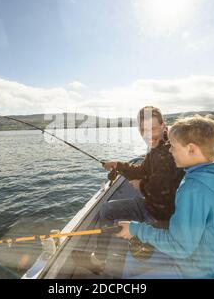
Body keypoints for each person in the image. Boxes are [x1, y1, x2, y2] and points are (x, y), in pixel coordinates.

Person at [115, 115, 214, 279]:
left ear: (191, 149)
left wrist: (135, 229)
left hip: (208, 273)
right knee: (132, 259)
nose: (170, 150)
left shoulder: (194, 189)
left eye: (174, 147)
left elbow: (180, 247)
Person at [73, 106, 184, 275]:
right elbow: (142, 170)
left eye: (153, 128)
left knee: (137, 254)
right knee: (107, 209)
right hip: (149, 205)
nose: (148, 135)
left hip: (165, 216)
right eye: (143, 130)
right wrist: (118, 165)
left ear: (163, 126)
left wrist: (141, 186)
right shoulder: (156, 145)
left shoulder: (172, 149)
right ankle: (99, 260)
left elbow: (164, 193)